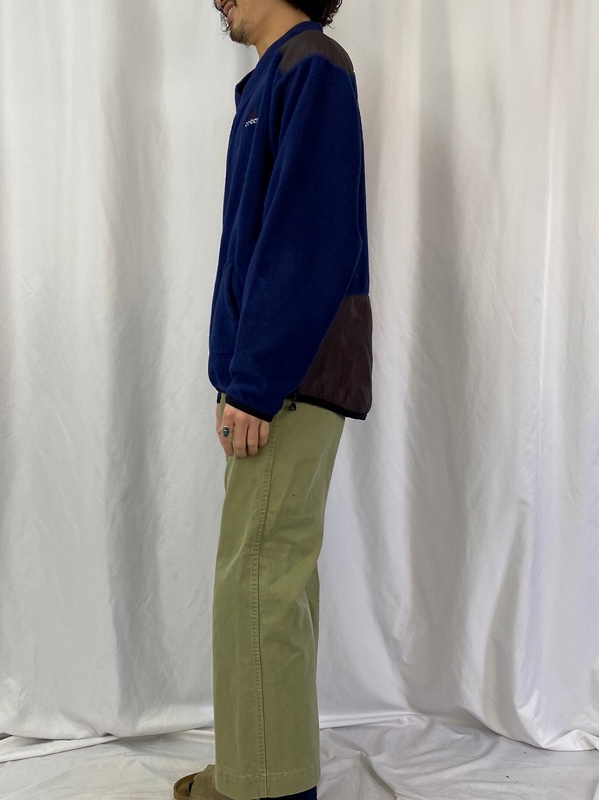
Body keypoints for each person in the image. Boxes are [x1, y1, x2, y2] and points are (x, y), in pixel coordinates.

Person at [174, 0, 372, 797]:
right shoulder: (272, 77)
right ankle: (258, 772)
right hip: (265, 376)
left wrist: (254, 385)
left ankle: (267, 790)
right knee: (268, 581)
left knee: (258, 583)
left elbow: (308, 241)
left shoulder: (312, 67)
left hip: (287, 378)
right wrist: (237, 377)